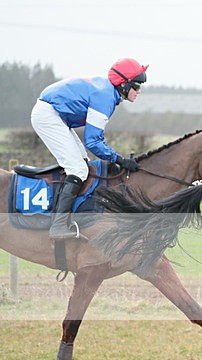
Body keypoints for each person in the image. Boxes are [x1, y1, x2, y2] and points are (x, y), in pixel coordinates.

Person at [30, 58, 148, 239]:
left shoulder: (108, 91)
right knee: (77, 169)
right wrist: (120, 159)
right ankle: (58, 225)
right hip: (48, 115)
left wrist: (117, 158)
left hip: (55, 115)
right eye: (137, 86)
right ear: (123, 84)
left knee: (84, 166)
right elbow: (93, 142)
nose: (139, 91)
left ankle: (70, 216)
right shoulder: (105, 97)